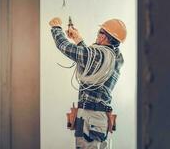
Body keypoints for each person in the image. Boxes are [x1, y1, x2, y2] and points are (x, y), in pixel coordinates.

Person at [49, 17, 127, 149]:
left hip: (91, 116)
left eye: (99, 32)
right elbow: (91, 62)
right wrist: (78, 40)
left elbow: (64, 47)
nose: (97, 35)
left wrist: (56, 28)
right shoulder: (115, 57)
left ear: (104, 37)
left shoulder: (100, 56)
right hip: (97, 117)